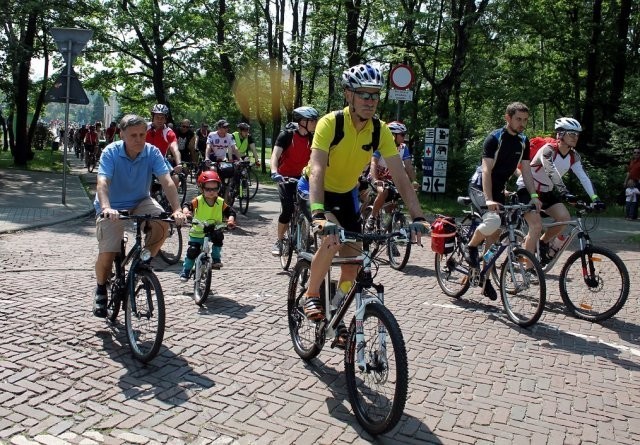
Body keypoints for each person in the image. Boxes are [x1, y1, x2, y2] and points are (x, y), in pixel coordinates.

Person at [302, 63, 429, 348]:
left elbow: (401, 175)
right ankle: (311, 294)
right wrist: (318, 214)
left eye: (375, 95)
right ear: (349, 95)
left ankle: (335, 308)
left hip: (346, 193)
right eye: (364, 95)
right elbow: (318, 168)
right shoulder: (330, 123)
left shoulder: (379, 130)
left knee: (354, 261)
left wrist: (418, 216)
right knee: (332, 239)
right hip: (315, 190)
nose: (370, 101)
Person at [92, 114, 186, 317]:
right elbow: (102, 183)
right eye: (133, 135)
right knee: (107, 254)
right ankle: (100, 288)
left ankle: (144, 262)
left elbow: (167, 182)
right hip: (113, 206)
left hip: (140, 201)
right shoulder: (111, 152)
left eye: (142, 134)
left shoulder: (152, 152)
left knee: (162, 222)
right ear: (122, 134)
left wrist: (177, 209)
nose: (139, 139)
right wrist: (107, 207)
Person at [467, 101, 541, 300]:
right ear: (507, 118)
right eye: (518, 119)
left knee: (494, 234)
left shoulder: (523, 141)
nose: (522, 124)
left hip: (499, 190)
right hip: (480, 186)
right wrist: (489, 199)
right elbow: (485, 170)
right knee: (493, 221)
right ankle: (471, 246)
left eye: (525, 120)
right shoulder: (495, 138)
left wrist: (533, 196)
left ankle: (484, 278)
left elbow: (525, 171)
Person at [515, 117, 602, 264]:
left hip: (546, 192)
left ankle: (542, 244)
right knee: (536, 226)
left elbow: (584, 178)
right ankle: (529, 268)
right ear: (560, 134)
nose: (575, 137)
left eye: (577, 134)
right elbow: (551, 170)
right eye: (571, 134)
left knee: (564, 218)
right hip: (528, 189)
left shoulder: (573, 156)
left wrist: (595, 198)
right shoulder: (548, 150)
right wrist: (564, 191)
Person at [269, 106, 319, 256]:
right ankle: (279, 240)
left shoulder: (312, 138)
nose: (315, 123)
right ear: (302, 121)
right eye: (313, 120)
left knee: (312, 207)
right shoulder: (287, 135)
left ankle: (304, 232)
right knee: (288, 208)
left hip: (304, 178)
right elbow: (275, 156)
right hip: (285, 177)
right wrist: (274, 171)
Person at [179, 171, 237, 280]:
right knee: (193, 251)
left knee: (218, 237)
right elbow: (187, 205)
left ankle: (216, 259)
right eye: (208, 189)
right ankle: (186, 270)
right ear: (201, 189)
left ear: (219, 189)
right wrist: (186, 212)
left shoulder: (220, 202)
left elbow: (231, 212)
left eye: (215, 189)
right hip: (198, 230)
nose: (211, 192)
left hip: (213, 229)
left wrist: (230, 220)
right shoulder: (198, 200)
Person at [365, 120, 418, 230]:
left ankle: (388, 230)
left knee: (394, 201)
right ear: (392, 135)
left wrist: (414, 181)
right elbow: (373, 162)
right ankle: (372, 217)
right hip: (376, 176)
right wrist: (375, 180)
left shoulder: (403, 148)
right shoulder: (381, 145)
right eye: (402, 135)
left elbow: (408, 166)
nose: (404, 138)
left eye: (405, 135)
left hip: (391, 179)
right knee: (383, 191)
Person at [146, 104, 183, 187]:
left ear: (166, 119)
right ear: (153, 117)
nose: (159, 120)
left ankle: (168, 199)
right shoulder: (144, 127)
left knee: (175, 179)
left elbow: (175, 149)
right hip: (142, 159)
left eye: (162, 118)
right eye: (157, 117)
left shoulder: (168, 132)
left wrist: (179, 164)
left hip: (160, 160)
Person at [623, 148, 640, 218]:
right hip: (630, 182)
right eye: (635, 152)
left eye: (638, 152)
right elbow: (629, 173)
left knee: (636, 199)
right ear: (633, 153)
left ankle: (633, 215)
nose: (636, 154)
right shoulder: (632, 162)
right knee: (629, 198)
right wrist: (625, 181)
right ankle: (629, 215)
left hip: (637, 181)